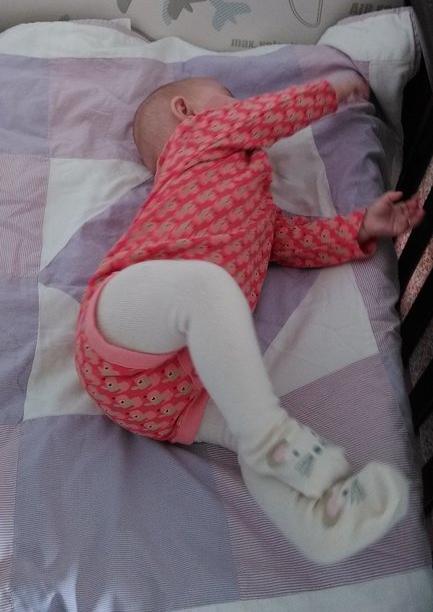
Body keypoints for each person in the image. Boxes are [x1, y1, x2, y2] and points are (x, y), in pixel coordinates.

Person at [75, 74, 423, 563]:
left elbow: (294, 241)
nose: (241, 106)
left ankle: (318, 524)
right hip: (119, 322)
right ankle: (272, 439)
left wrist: (361, 226)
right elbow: (268, 116)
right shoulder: (198, 140)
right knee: (206, 288)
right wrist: (333, 88)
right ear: (185, 111)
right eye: (229, 97)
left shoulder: (256, 207)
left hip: (169, 400)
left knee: (246, 427)